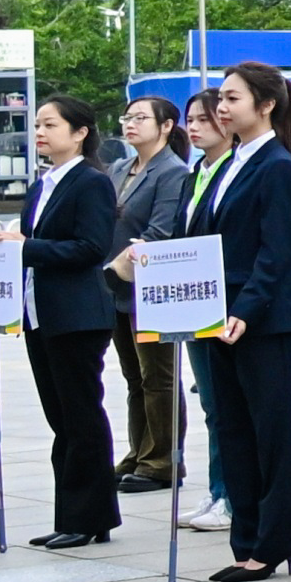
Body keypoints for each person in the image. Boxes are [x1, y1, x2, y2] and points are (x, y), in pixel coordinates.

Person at [164, 63, 291, 582]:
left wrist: (245, 311)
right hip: (217, 316)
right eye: (220, 99)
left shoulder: (277, 165)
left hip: (262, 319)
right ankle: (245, 536)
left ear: (266, 105)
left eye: (232, 98)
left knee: (270, 434)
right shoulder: (228, 162)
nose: (221, 108)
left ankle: (272, 541)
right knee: (232, 428)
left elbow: (278, 254)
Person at [11, 92, 125, 550]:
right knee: (62, 419)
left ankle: (89, 516)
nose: (40, 132)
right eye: (37, 125)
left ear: (80, 133)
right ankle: (74, 515)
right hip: (42, 314)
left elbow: (90, 248)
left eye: (50, 125)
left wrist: (24, 247)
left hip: (78, 315)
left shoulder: (90, 182)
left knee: (80, 416)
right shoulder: (43, 185)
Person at [108, 95, 190, 490]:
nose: (130, 124)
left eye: (141, 118)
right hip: (117, 284)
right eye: (127, 118)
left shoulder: (171, 171)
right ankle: (138, 452)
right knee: (133, 377)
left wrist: (121, 264)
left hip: (152, 285)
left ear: (166, 126)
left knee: (158, 376)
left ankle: (163, 460)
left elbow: (160, 231)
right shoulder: (121, 167)